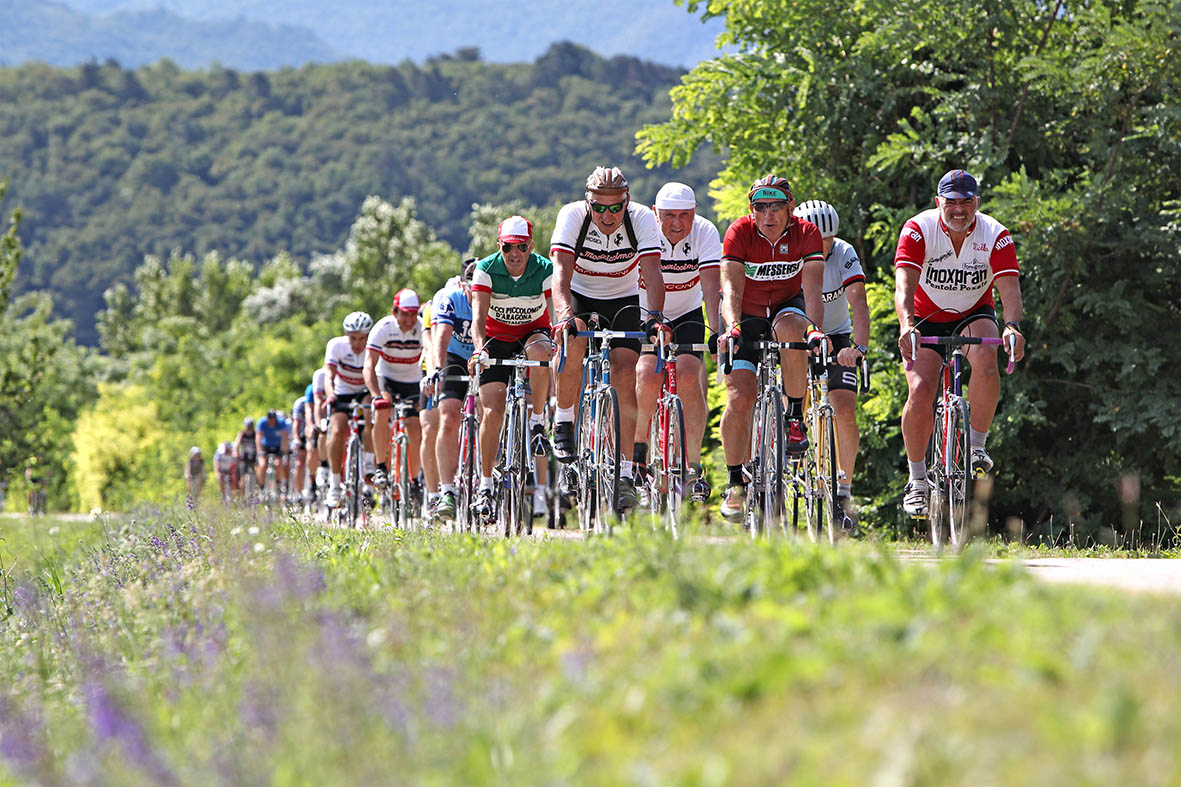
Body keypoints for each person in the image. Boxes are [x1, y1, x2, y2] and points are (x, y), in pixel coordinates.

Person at [894, 169, 1025, 517]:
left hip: (972, 311)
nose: (958, 209)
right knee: (921, 390)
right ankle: (917, 480)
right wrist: (907, 326)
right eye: (950, 202)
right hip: (924, 317)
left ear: (976, 203)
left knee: (986, 353)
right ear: (939, 203)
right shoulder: (918, 229)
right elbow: (903, 288)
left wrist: (1012, 327)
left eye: (966, 202)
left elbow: (1010, 292)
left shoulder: (995, 234)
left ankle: (977, 446)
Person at [549, 165, 668, 513]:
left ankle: (626, 475)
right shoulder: (572, 216)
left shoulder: (642, 219)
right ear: (588, 202)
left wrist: (656, 318)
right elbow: (560, 272)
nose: (607, 215)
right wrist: (564, 316)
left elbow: (652, 272)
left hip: (624, 298)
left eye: (615, 207)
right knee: (573, 345)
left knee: (626, 371)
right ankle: (564, 421)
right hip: (580, 296)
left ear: (626, 201)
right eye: (599, 207)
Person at [716, 175, 826, 521]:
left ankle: (794, 416)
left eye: (776, 206)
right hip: (745, 315)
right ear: (752, 210)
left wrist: (815, 330)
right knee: (740, 397)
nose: (768, 214)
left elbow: (812, 290)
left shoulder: (807, 234)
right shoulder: (739, 232)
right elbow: (730, 289)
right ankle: (736, 482)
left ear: (789, 207)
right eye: (760, 207)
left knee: (794, 330)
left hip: (786, 306)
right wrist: (732, 326)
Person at [632, 182, 722, 503]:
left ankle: (693, 467)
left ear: (694, 213)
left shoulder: (705, 232)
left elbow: (712, 287)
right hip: (646, 310)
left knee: (687, 375)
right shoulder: (643, 231)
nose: (676, 223)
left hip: (687, 312)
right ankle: (639, 454)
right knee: (646, 373)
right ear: (656, 213)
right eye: (668, 215)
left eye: (685, 215)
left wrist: (719, 330)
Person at [468, 215, 555, 522]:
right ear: (499, 247)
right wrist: (479, 350)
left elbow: (554, 310)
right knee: (492, 410)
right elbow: (478, 318)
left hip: (531, 333)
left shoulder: (544, 268)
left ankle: (537, 421)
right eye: (508, 248)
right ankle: (487, 484)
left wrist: (557, 338)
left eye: (521, 247)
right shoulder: (486, 269)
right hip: (496, 338)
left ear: (531, 246)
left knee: (542, 352)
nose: (515, 254)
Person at [793, 199, 870, 529]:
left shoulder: (843, 253)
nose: (818, 247)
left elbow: (859, 302)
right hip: (796, 335)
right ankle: (781, 461)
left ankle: (843, 491)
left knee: (844, 407)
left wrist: (859, 347)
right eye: (812, 237)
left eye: (825, 241)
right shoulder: (787, 253)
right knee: (787, 401)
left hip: (837, 337)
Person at [365, 288, 425, 501]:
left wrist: (426, 393)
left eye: (413, 313)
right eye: (404, 313)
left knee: (415, 427)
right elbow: (369, 366)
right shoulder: (383, 328)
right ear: (394, 312)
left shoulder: (422, 327)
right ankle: (381, 466)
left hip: (413, 380)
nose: (409, 319)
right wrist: (375, 395)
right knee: (382, 410)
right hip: (386, 378)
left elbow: (431, 359)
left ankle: (415, 479)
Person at [428, 263, 477, 520]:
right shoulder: (452, 298)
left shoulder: (497, 297)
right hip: (456, 356)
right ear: (463, 285)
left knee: (493, 410)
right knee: (448, 416)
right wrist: (437, 368)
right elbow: (442, 336)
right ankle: (447, 491)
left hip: (483, 356)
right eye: (472, 289)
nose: (476, 294)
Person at [324, 311, 377, 508]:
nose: (357, 343)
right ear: (346, 335)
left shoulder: (373, 346)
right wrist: (330, 395)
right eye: (353, 338)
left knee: (370, 414)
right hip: (342, 391)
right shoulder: (336, 345)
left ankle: (370, 465)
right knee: (337, 430)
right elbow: (328, 376)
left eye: (362, 338)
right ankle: (335, 484)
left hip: (365, 389)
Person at [255, 409, 291, 493]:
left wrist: (284, 452)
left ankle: (279, 484)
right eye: (270, 420)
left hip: (278, 447)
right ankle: (261, 486)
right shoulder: (262, 422)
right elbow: (258, 438)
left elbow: (284, 438)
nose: (272, 422)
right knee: (263, 465)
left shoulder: (281, 423)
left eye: (274, 420)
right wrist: (259, 451)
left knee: (279, 464)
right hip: (265, 446)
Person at [290, 394, 309, 503]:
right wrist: (296, 438)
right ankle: (299, 493)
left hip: (316, 432)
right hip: (302, 434)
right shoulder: (300, 403)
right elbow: (296, 423)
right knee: (300, 463)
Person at [233, 417, 257, 494]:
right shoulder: (242, 434)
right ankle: (243, 496)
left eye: (250, 426)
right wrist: (236, 453)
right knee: (243, 476)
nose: (249, 428)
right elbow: (236, 445)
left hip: (254, 457)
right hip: (244, 458)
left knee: (257, 474)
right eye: (248, 426)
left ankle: (256, 492)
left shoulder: (256, 434)